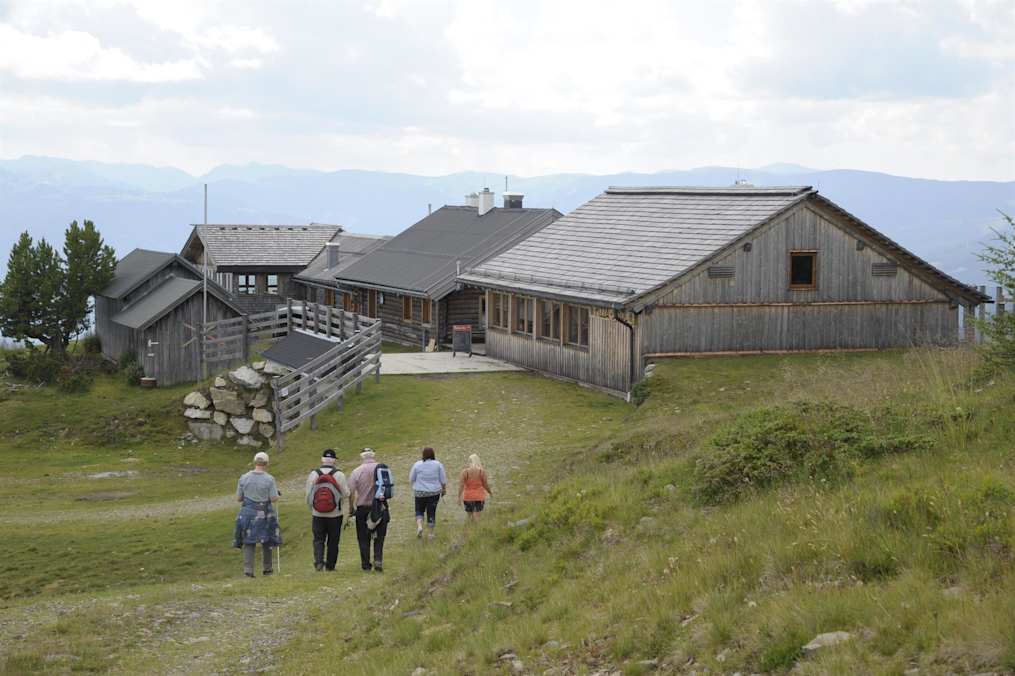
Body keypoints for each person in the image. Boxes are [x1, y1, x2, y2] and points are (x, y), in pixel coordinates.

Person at [233, 451, 282, 578]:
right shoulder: (269, 479)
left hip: (247, 513)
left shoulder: (243, 478)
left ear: (255, 462)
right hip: (264, 513)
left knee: (249, 541)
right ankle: (267, 569)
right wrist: (277, 494)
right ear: (267, 463)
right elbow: (273, 498)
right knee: (267, 540)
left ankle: (248, 571)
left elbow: (239, 498)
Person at [305, 449, 352, 572]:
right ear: (334, 460)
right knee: (333, 540)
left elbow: (308, 495)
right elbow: (346, 493)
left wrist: (313, 508)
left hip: (317, 514)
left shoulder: (314, 474)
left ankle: (319, 563)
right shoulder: (339, 474)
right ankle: (331, 566)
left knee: (318, 539)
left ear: (322, 459)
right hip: (335, 514)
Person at [349, 448, 389, 572]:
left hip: (363, 508)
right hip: (380, 506)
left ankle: (366, 564)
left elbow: (350, 492)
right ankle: (378, 560)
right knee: (380, 536)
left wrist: (351, 508)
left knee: (363, 537)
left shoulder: (356, 471)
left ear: (362, 457)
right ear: (373, 456)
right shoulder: (382, 469)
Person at [410, 447, 446, 541]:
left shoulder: (417, 464)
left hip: (419, 492)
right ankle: (430, 534)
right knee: (431, 512)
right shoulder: (438, 464)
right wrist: (444, 489)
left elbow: (412, 478)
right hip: (434, 492)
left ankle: (419, 526)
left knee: (419, 510)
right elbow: (443, 479)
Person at [458, 454, 492, 522]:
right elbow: (485, 484)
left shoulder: (464, 472)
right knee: (478, 517)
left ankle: (468, 529)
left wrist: (459, 497)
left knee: (469, 516)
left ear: (469, 461)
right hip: (479, 496)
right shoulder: (481, 472)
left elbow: (461, 486)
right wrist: (490, 492)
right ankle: (477, 531)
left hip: (468, 497)